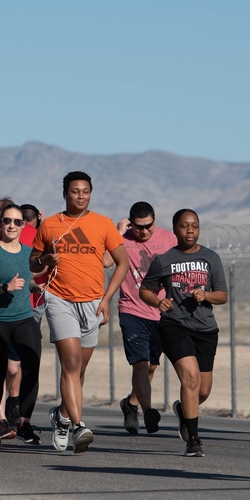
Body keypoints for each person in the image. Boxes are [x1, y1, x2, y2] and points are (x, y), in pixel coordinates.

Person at [30, 171, 129, 453]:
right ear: (65, 193)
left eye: (86, 191)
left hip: (93, 303)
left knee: (79, 371)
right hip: (59, 299)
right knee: (71, 365)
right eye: (75, 191)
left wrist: (107, 298)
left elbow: (122, 263)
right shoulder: (50, 224)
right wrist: (45, 259)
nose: (81, 196)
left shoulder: (103, 224)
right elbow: (33, 263)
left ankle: (61, 417)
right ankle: (78, 426)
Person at [140, 209, 227, 457]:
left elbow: (222, 295)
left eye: (195, 226)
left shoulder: (211, 258)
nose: (190, 230)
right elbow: (145, 290)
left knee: (203, 390)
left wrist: (206, 295)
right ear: (175, 229)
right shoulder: (164, 260)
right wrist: (158, 303)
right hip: (174, 325)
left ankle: (183, 410)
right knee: (190, 378)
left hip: (206, 328)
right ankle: (194, 440)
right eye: (184, 226)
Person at [0, 204, 43, 447]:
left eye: (17, 221)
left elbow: (32, 274)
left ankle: (24, 423)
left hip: (24, 318)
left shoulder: (29, 253)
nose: (12, 225)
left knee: (31, 367)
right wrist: (4, 288)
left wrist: (34, 287)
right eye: (7, 221)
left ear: (24, 225)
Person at [116, 201, 176, 435]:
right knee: (140, 364)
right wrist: (117, 234)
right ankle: (149, 412)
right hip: (132, 309)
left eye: (148, 226)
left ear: (154, 221)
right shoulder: (122, 239)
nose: (144, 231)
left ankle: (131, 404)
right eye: (139, 227)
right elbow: (105, 261)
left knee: (151, 365)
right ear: (131, 223)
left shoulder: (168, 238)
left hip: (161, 310)